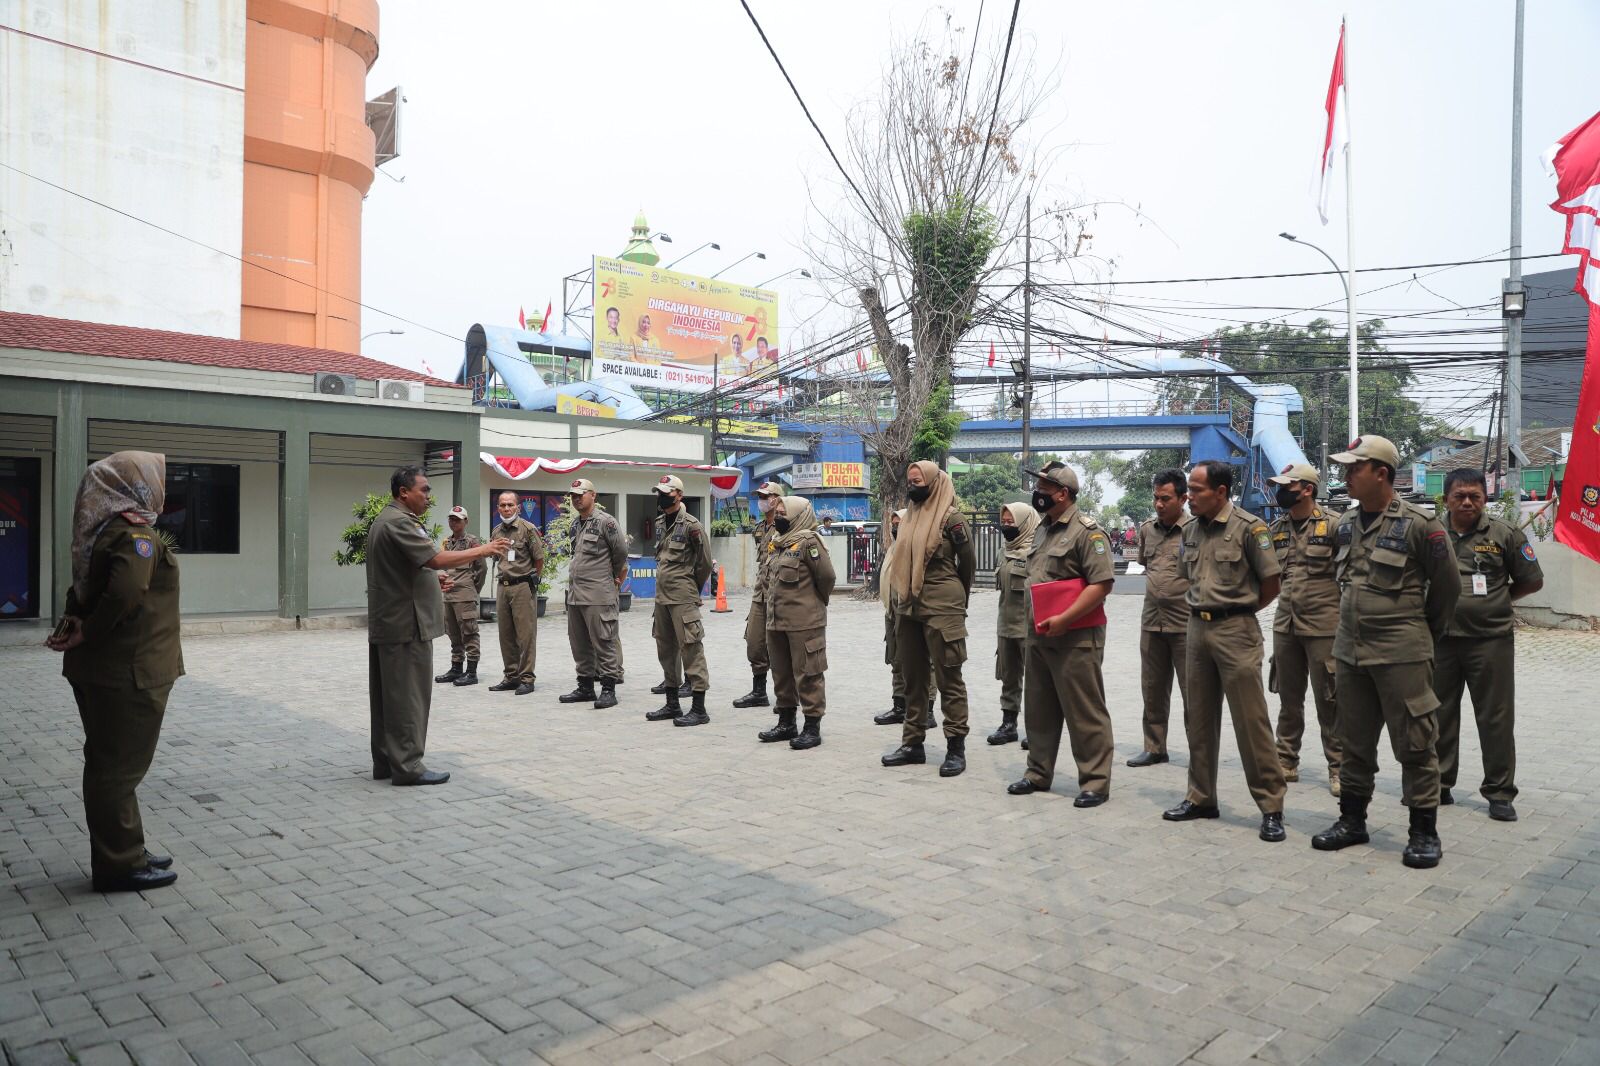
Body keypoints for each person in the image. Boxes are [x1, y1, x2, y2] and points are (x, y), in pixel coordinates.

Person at [1312, 435, 1460, 868]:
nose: (1346, 475)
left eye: (1354, 467)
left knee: (1416, 743)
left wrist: (1419, 634)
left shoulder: (1420, 525)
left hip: (1402, 654)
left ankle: (1423, 831)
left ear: (1381, 473)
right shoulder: (1344, 524)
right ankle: (1352, 821)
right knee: (1352, 741)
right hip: (1350, 653)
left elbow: (1447, 588)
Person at [47, 451, 183, 892]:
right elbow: (127, 592)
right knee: (117, 770)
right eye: (152, 479)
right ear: (132, 488)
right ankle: (119, 864)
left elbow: (88, 591)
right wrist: (89, 632)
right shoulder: (133, 535)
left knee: (109, 763)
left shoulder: (101, 532)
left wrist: (82, 631)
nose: (160, 486)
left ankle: (126, 848)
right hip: (130, 671)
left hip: (107, 670)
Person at [1162, 460, 1288, 843]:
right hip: (1196, 629)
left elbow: (1271, 584)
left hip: (1236, 630)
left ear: (1220, 492)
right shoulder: (1190, 530)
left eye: (1197, 490)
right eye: (1189, 490)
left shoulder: (1251, 528)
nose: (1190, 497)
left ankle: (1271, 806)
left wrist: (1238, 610)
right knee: (1198, 719)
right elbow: (1189, 575)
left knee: (1251, 723)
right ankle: (1201, 797)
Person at [366, 466, 508, 786]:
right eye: (424, 490)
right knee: (408, 698)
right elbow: (435, 559)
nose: (429, 496)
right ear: (404, 492)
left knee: (388, 697)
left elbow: (411, 568)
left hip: (392, 622)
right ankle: (408, 766)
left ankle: (387, 761)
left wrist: (432, 579)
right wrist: (484, 549)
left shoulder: (385, 520)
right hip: (406, 626)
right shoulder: (400, 522)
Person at [1433, 467, 1543, 820]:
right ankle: (1438, 784)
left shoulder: (1504, 533)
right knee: (1437, 715)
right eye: (1459, 496)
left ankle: (1499, 793)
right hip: (1440, 640)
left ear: (1485, 497)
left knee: (1495, 718)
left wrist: (1497, 600)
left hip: (1490, 642)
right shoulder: (1430, 533)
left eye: (1474, 496)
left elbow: (1531, 581)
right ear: (1446, 498)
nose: (1467, 502)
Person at [1006, 463, 1116, 805]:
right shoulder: (1042, 530)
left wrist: (1066, 618)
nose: (1037, 494)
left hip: (1075, 638)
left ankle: (1095, 781)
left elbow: (1101, 585)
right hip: (1039, 634)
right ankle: (1038, 773)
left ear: (1063, 494)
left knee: (1084, 711)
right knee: (1038, 710)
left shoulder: (1088, 532)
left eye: (1043, 489)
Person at [881, 461, 975, 777]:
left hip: (942, 606)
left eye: (918, 480)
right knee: (914, 679)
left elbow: (968, 564)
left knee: (949, 678)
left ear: (934, 483)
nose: (912, 485)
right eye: (909, 481)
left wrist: (955, 598)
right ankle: (913, 744)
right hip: (909, 607)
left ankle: (955, 748)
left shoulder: (952, 519)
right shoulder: (910, 517)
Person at [1265, 463, 1342, 794]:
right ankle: (1286, 760)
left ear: (1306, 489)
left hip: (1325, 627)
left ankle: (1339, 767)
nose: (1281, 492)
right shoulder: (1276, 528)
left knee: (1331, 701)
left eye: (1287, 486)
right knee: (1288, 699)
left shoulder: (1336, 526)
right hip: (1286, 625)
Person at [757, 496, 836, 749]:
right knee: (781, 674)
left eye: (783, 512)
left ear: (798, 515)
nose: (778, 516)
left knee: (808, 674)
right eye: (776, 512)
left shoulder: (809, 542)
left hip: (804, 622)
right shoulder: (777, 542)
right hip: (776, 621)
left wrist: (813, 604)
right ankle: (786, 722)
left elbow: (826, 577)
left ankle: (812, 727)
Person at [1130, 469, 1191, 768]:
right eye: (1156, 497)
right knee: (1152, 689)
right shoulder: (1147, 530)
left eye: (1165, 498)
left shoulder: (1196, 529)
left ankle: (1201, 751)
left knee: (1193, 693)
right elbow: (1146, 564)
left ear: (1183, 498)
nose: (1159, 504)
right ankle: (1155, 747)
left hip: (1187, 624)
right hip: (1152, 621)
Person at [646, 475, 715, 726]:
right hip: (662, 597)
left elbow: (705, 562)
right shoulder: (661, 522)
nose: (661, 497)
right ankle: (672, 704)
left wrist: (691, 589)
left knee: (691, 648)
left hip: (683, 597)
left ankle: (699, 708)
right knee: (665, 649)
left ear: (679, 495)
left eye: (666, 492)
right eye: (659, 492)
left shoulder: (692, 525)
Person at [558, 478, 629, 709]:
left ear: (593, 495)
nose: (576, 498)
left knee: (604, 642)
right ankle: (585, 687)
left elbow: (620, 553)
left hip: (599, 593)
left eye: (581, 494)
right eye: (573, 495)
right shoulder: (575, 524)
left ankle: (608, 689)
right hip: (576, 594)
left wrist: (612, 579)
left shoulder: (606, 523)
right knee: (579, 643)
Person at [988, 501, 1039, 746]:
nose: (1006, 526)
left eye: (1012, 522)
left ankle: (1037, 729)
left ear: (1026, 523)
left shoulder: (1037, 551)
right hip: (1006, 625)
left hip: (1030, 627)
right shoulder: (1004, 550)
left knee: (1035, 681)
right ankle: (1008, 724)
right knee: (1009, 678)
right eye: (1004, 522)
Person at [489, 491, 545, 695]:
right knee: (506, 634)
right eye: (502, 505)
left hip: (522, 586)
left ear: (518, 508)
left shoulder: (528, 530)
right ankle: (511, 676)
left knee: (525, 635)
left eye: (510, 505)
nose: (506, 508)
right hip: (503, 586)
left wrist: (532, 580)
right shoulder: (496, 532)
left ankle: (527, 678)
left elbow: (539, 559)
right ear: (498, 508)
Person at [733, 481, 783, 709]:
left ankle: (787, 695)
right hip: (759, 593)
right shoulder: (760, 528)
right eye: (760, 496)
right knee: (754, 642)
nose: (762, 500)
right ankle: (759, 691)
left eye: (766, 496)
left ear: (777, 499)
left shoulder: (787, 526)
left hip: (780, 595)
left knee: (781, 646)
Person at [434, 505, 487, 687]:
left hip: (464, 595)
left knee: (469, 633)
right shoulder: (447, 542)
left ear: (466, 521)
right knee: (453, 633)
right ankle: (456, 667)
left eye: (457, 519)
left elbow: (482, 569)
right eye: (451, 519)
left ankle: (471, 672)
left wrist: (472, 589)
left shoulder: (472, 542)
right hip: (448, 595)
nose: (453, 522)